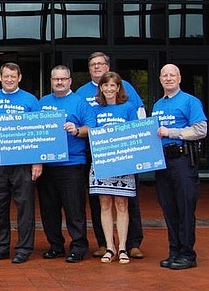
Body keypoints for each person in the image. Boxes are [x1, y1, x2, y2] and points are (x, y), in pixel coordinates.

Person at [76, 51, 145, 259]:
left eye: (100, 64)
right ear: (89, 69)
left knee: (127, 201)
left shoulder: (127, 93)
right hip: (97, 156)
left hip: (124, 158)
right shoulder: (81, 93)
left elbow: (139, 120)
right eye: (93, 65)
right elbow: (84, 122)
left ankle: (132, 243)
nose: (97, 67)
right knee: (100, 202)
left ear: (108, 67)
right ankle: (104, 243)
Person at [0, 62, 41, 264]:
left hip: (23, 160)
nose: (9, 79)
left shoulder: (30, 100)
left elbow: (38, 132)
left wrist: (37, 162)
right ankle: (0, 248)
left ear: (19, 78)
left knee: (24, 206)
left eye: (12, 76)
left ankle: (24, 249)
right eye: (5, 76)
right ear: (0, 77)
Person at [38, 65, 95, 263]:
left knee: (74, 209)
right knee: (49, 209)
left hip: (72, 163)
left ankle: (78, 246)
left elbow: (92, 128)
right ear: (51, 81)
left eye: (63, 79)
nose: (59, 82)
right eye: (56, 79)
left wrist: (77, 130)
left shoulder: (80, 103)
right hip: (48, 165)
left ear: (70, 81)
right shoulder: (43, 102)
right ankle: (55, 246)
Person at [153, 64, 207, 270]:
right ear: (160, 79)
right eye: (164, 75)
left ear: (179, 78)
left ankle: (187, 254)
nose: (168, 78)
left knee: (185, 208)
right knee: (169, 208)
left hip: (182, 160)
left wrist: (172, 133)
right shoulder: (158, 105)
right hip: (163, 162)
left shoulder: (190, 101)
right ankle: (174, 251)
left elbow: (201, 130)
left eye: (172, 75)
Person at [89, 72, 139, 265]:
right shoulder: (95, 110)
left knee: (122, 205)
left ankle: (123, 247)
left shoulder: (128, 108)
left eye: (113, 86)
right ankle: (109, 247)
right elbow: (91, 132)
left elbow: (136, 133)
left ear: (119, 88)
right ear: (100, 88)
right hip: (101, 162)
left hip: (123, 163)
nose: (109, 89)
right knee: (104, 205)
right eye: (105, 86)